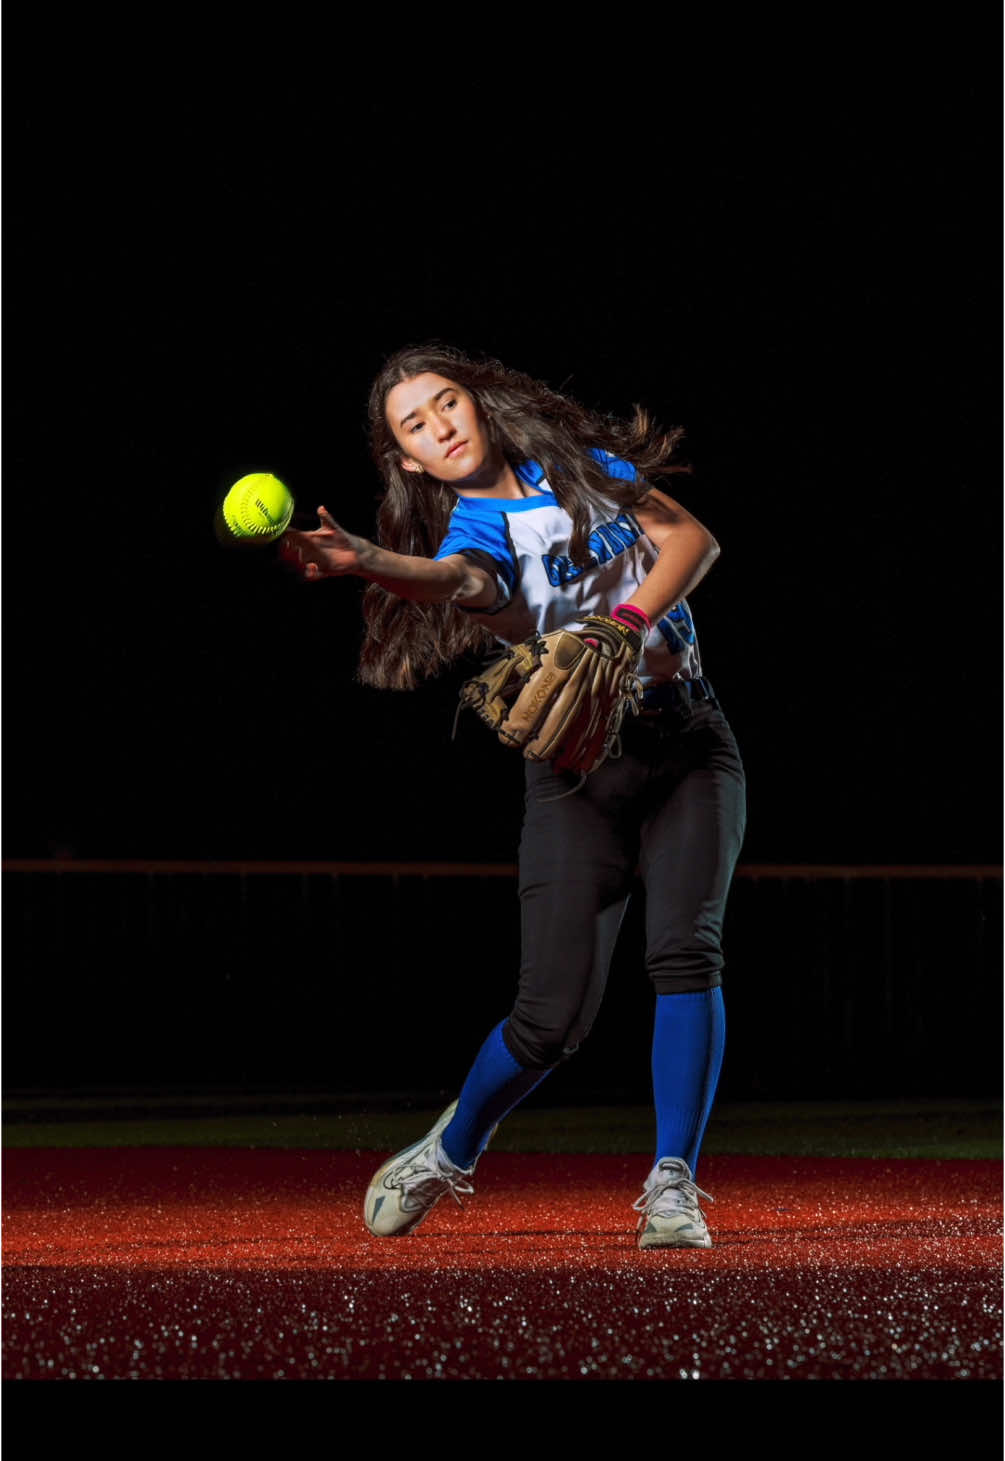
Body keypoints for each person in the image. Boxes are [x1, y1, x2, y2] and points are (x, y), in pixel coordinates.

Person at [281, 344, 746, 1249]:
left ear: (478, 403)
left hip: (689, 737)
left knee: (686, 952)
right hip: (578, 774)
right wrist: (370, 559)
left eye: (445, 402)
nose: (439, 426)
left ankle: (671, 1183)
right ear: (408, 459)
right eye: (414, 425)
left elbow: (694, 539)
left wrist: (622, 622)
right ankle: (449, 1149)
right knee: (549, 1019)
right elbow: (457, 582)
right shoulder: (474, 533)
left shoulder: (578, 467)